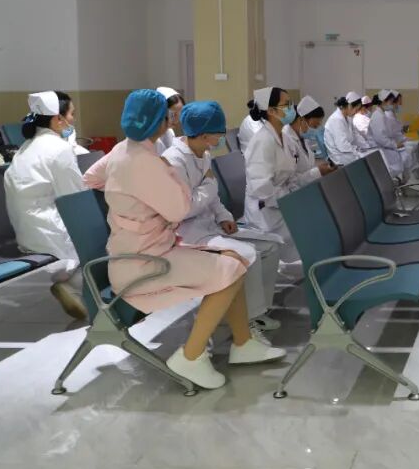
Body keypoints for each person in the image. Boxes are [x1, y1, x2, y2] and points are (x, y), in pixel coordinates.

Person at [84, 89, 285, 389]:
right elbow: (179, 210)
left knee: (234, 260)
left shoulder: (122, 151)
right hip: (145, 262)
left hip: (143, 251)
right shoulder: (148, 162)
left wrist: (130, 200)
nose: (172, 120)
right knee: (233, 266)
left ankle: (243, 343)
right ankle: (191, 356)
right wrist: (204, 187)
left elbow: (91, 178)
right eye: (168, 116)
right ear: (160, 122)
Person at [162, 101, 282, 333]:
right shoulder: (174, 161)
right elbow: (183, 209)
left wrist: (223, 215)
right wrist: (209, 185)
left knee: (270, 246)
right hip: (187, 235)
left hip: (209, 226)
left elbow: (212, 197)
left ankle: (258, 312)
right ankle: (246, 322)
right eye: (219, 133)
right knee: (248, 255)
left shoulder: (203, 154)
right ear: (204, 135)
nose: (221, 138)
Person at [3, 91, 88, 320]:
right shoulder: (58, 149)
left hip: (26, 232)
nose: (73, 120)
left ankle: (75, 284)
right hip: (50, 231)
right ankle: (74, 286)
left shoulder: (25, 147)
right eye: (71, 114)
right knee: (103, 234)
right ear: (58, 119)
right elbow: (76, 198)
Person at [244, 87, 323, 263]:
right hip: (267, 216)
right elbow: (262, 190)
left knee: (310, 238)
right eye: (286, 104)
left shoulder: (285, 139)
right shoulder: (262, 142)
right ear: (271, 111)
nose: (291, 108)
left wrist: (311, 178)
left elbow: (292, 177)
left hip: (283, 205)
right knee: (290, 258)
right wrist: (291, 197)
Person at [370, 90, 414, 180]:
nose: (392, 104)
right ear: (383, 102)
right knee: (402, 158)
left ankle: (400, 180)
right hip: (380, 149)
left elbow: (387, 134)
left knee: (403, 158)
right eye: (391, 102)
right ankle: (397, 180)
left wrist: (395, 144)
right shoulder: (378, 116)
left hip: (386, 146)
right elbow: (381, 138)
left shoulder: (382, 115)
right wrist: (395, 145)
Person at [324, 92, 369, 166]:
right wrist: (357, 150)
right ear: (350, 106)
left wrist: (367, 147)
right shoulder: (336, 120)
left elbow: (356, 135)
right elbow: (342, 145)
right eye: (356, 110)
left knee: (368, 155)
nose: (356, 112)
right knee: (364, 160)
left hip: (347, 152)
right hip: (339, 157)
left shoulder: (348, 118)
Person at [154, 87, 184, 155]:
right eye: (173, 114)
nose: (177, 119)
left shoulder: (170, 132)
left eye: (181, 112)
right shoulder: (151, 137)